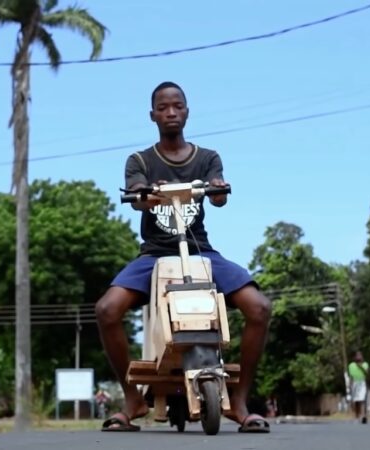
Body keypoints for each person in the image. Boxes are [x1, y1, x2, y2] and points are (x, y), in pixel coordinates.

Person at [95, 81, 272, 433]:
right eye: (163, 107)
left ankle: (238, 402)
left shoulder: (206, 157)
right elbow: (136, 193)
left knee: (260, 307)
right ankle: (133, 400)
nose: (171, 112)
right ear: (153, 115)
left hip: (200, 251)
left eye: (177, 106)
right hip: (154, 256)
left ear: (187, 111)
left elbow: (218, 192)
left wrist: (218, 189)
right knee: (107, 309)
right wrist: (141, 195)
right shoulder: (140, 160)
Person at [348, 350, 369, 424]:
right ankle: (357, 416)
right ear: (355, 357)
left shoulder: (365, 364)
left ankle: (363, 416)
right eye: (358, 355)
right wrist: (350, 386)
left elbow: (366, 373)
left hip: (362, 382)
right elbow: (351, 377)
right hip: (355, 383)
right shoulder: (351, 365)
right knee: (356, 401)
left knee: (362, 399)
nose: (359, 356)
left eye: (360, 355)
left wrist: (360, 367)